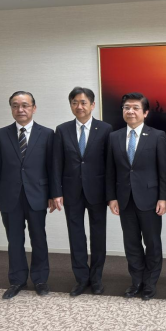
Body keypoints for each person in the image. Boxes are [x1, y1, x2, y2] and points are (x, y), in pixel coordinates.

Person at [0, 91, 56, 299]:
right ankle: (17, 280)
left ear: (34, 108)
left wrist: (54, 194)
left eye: (25, 105)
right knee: (14, 240)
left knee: (39, 238)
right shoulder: (0, 134)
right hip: (9, 196)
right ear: (11, 109)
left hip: (37, 195)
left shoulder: (47, 134)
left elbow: (52, 168)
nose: (20, 109)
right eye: (15, 105)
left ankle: (40, 279)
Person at [106, 92, 166, 300]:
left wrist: (163, 198)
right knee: (131, 243)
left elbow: (163, 170)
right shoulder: (114, 137)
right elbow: (110, 170)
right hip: (124, 199)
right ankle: (136, 281)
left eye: (135, 108)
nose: (130, 111)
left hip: (150, 199)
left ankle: (150, 283)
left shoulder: (157, 136)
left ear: (145, 112)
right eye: (126, 107)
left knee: (152, 243)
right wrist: (112, 197)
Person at [52, 87, 113, 296]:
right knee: (76, 236)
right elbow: (56, 163)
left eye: (84, 102)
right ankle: (81, 278)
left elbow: (110, 164)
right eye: (75, 102)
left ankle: (96, 278)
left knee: (98, 236)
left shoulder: (105, 129)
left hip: (97, 192)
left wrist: (111, 195)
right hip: (71, 192)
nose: (79, 106)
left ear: (92, 105)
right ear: (71, 105)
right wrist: (56, 192)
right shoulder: (62, 130)